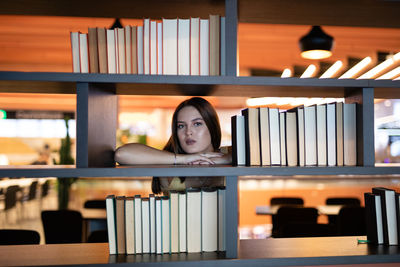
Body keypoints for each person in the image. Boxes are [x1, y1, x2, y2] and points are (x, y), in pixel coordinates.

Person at [114, 97, 231, 194]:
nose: (188, 132)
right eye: (181, 126)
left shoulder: (228, 154)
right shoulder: (170, 163)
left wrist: (226, 159)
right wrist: (183, 159)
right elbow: (121, 154)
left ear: (212, 126)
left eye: (197, 124)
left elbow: (249, 150)